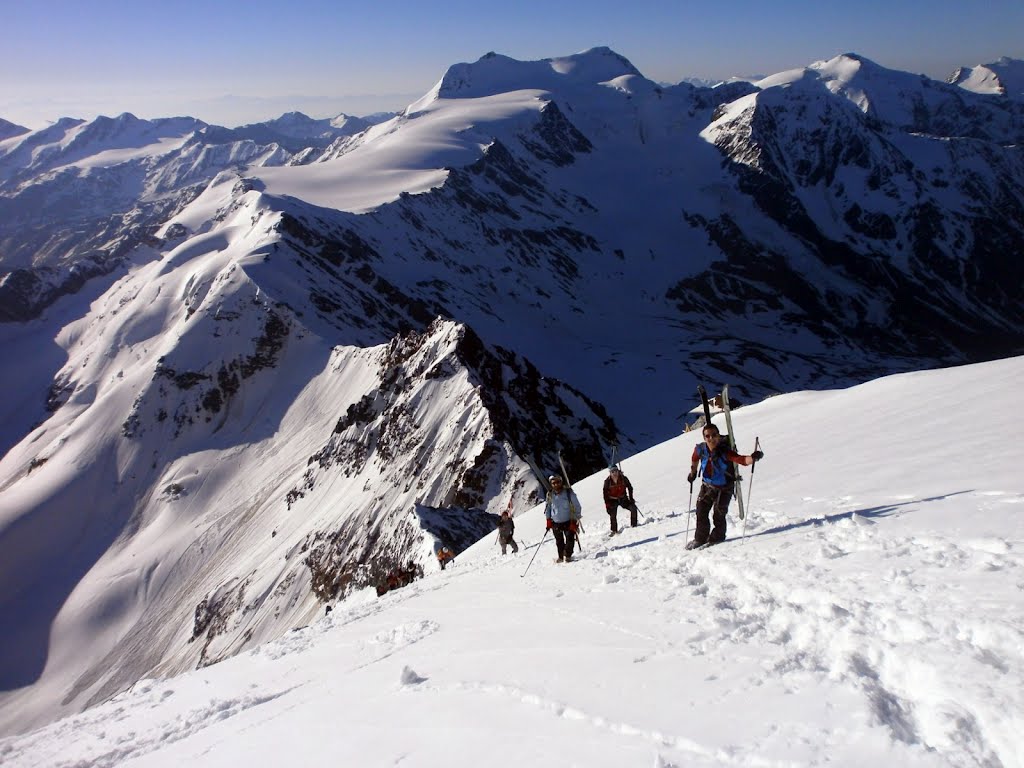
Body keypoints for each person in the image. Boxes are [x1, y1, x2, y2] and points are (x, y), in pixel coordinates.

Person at [686, 423, 763, 548]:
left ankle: (717, 538)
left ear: (718, 435)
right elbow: (694, 458)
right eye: (708, 436)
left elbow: (741, 460)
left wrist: (753, 458)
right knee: (701, 511)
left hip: (724, 488)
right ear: (704, 438)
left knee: (719, 514)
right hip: (707, 486)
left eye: (714, 435)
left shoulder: (724, 451)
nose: (711, 438)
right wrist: (693, 472)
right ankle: (700, 539)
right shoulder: (700, 449)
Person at [544, 474, 582, 563]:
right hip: (555, 522)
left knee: (570, 539)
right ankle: (561, 557)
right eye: (553, 483)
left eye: (557, 482)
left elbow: (577, 506)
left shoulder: (568, 493)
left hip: (569, 521)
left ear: (561, 482)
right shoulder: (550, 495)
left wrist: (575, 519)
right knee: (559, 541)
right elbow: (548, 508)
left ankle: (567, 555)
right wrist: (548, 520)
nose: (556, 484)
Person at [603, 465, 639, 534]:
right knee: (613, 515)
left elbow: (630, 487)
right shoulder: (607, 482)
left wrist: (631, 498)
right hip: (612, 500)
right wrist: (607, 505)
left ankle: (634, 526)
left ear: (618, 471)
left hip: (623, 498)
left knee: (633, 509)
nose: (614, 473)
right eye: (612, 471)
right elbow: (605, 494)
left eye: (616, 471)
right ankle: (614, 531)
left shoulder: (623, 478)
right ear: (610, 473)